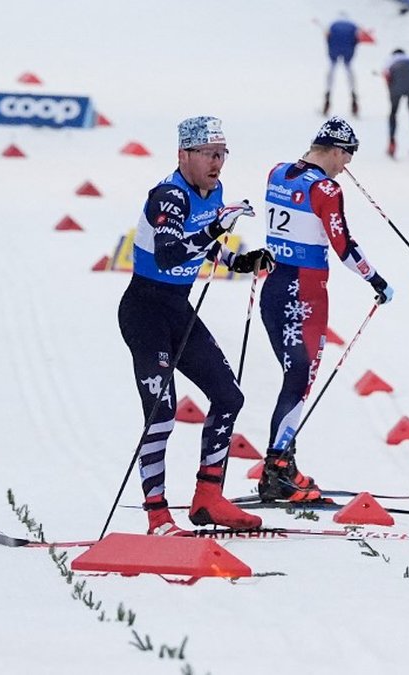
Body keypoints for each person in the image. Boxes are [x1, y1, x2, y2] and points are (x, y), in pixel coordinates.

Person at [118, 116, 275, 535]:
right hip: (144, 311)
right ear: (183, 155)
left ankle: (208, 498)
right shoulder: (168, 196)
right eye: (208, 153)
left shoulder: (215, 191)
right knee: (162, 413)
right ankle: (157, 517)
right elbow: (170, 254)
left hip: (177, 309)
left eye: (221, 154)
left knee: (228, 396)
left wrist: (238, 260)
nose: (216, 163)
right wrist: (216, 228)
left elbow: (204, 248)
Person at [257, 117, 393, 501]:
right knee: (299, 378)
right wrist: (375, 279)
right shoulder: (327, 188)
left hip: (275, 288)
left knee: (294, 378)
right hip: (305, 294)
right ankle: (278, 468)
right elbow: (343, 243)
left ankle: (282, 465)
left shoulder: (277, 173)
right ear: (334, 150)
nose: (346, 166)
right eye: (346, 157)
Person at [384, 48, 409, 158]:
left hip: (397, 84)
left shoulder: (390, 60)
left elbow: (387, 77)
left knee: (393, 111)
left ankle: (392, 142)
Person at [324, 14, 360, 117]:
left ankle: (327, 96)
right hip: (348, 50)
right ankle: (354, 97)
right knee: (349, 69)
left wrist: (330, 50)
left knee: (331, 69)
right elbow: (356, 39)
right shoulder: (353, 25)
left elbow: (327, 37)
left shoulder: (333, 24)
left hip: (334, 50)